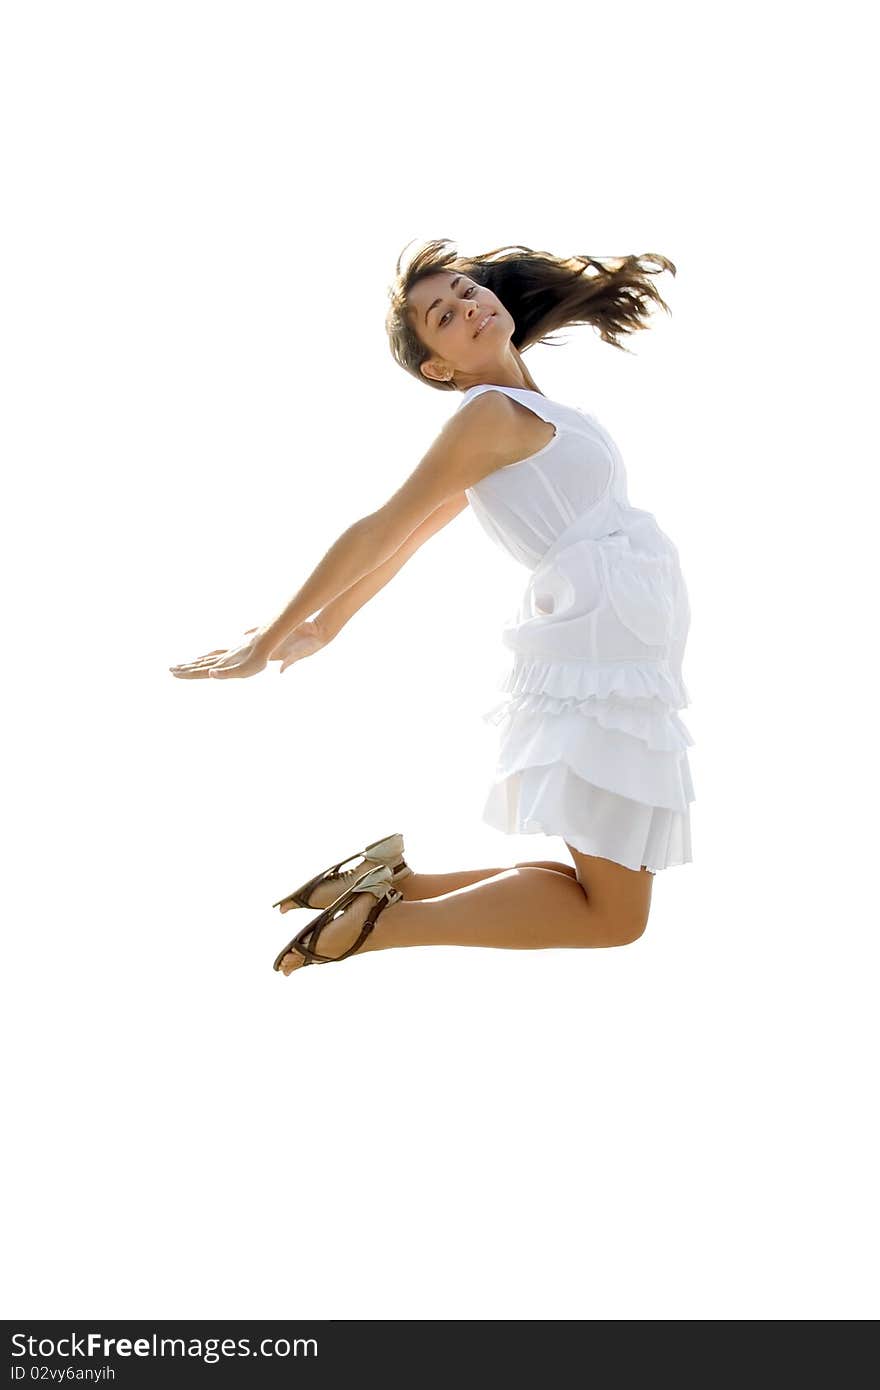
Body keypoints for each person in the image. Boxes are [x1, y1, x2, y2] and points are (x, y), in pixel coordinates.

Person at [170, 239, 695, 976]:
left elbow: (414, 535)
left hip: (616, 657)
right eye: (442, 315)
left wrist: (329, 625)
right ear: (437, 368)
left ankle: (389, 890)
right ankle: (376, 928)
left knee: (593, 899)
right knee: (611, 917)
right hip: (598, 664)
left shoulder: (527, 413)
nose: (469, 305)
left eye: (467, 291)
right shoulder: (487, 415)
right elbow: (382, 525)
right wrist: (272, 639)